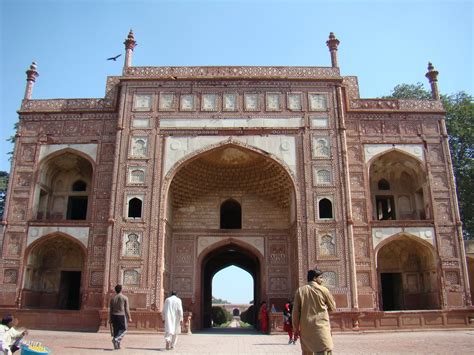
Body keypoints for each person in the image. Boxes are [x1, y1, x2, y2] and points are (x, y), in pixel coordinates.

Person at [292, 269, 336, 355]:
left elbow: (295, 313)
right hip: (321, 327)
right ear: (315, 278)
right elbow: (333, 308)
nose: (322, 280)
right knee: (324, 350)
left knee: (307, 351)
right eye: (321, 278)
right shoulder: (323, 290)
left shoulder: (300, 291)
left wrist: (296, 329)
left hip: (306, 328)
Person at [109, 284, 132, 350]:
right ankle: (116, 339)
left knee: (116, 331)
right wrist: (129, 317)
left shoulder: (113, 298)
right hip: (121, 315)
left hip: (114, 316)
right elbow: (127, 309)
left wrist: (110, 319)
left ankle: (117, 346)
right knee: (124, 330)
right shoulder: (124, 298)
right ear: (121, 289)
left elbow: (111, 310)